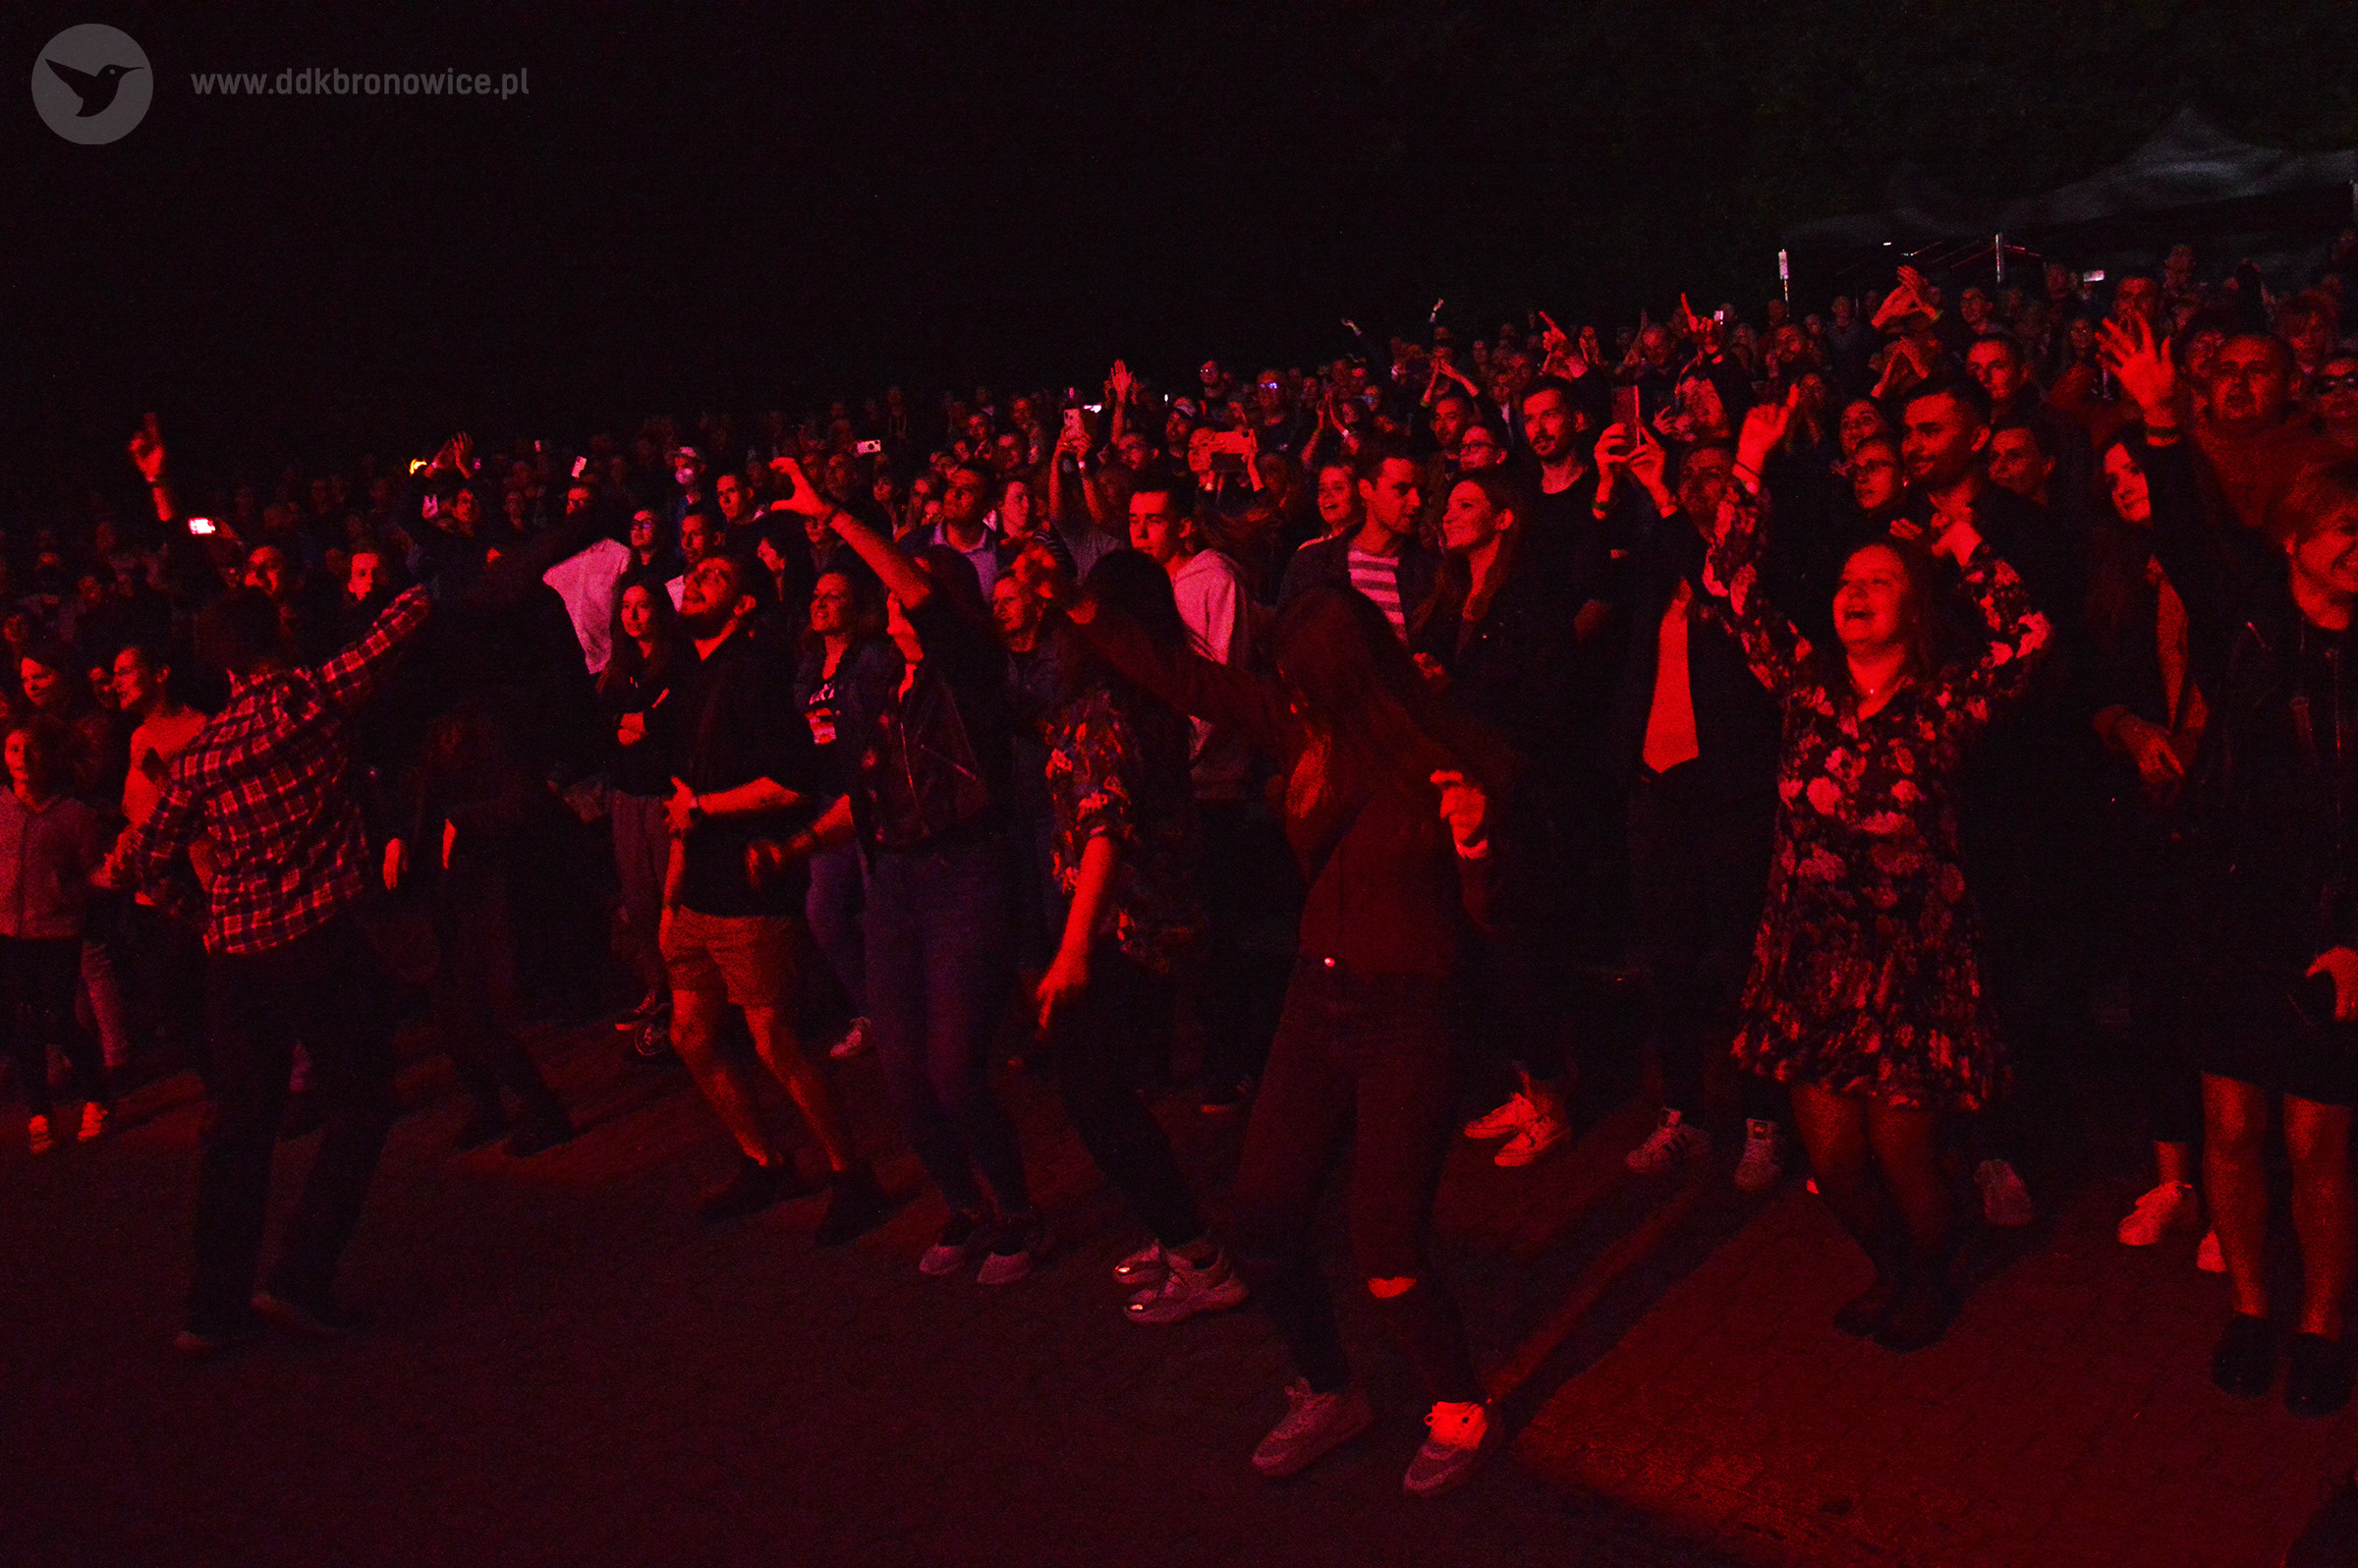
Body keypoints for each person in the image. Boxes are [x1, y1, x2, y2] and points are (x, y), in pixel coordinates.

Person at [1062, 571, 1507, 1498]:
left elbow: (1498, 925)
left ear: (1341, 675)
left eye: (1302, 681)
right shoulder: (1309, 735)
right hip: (1318, 995)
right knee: (1262, 1212)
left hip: (1411, 1011)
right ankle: (1329, 1388)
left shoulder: (1443, 758)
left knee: (1386, 1244)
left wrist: (1476, 849)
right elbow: (1192, 682)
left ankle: (1459, 1401)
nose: (1290, 697)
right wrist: (1084, 609)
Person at [1698, 393, 2051, 1353]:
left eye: (1881, 580)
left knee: (1903, 1155)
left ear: (1914, 605)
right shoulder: (1805, 685)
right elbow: (1728, 587)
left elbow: (2027, 637)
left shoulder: (1943, 704)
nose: (1855, 592)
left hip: (1911, 971)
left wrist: (1955, 536)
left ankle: (1930, 1280)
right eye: (1848, 580)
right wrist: (1749, 461)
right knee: (1834, 1159)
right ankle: (1891, 1270)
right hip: (1809, 963)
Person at [2105, 313, 2358, 1418]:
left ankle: (2322, 1325)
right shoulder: (2246, 620)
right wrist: (2163, 424)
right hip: (2230, 906)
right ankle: (2254, 1310)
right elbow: (2186, 534)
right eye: (2343, 527)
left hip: (2329, 920)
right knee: (2235, 1128)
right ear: (2296, 539)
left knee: (2318, 1136)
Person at [129, 582, 435, 1356]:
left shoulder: (201, 756)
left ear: (222, 668)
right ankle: (300, 1278)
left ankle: (211, 1310)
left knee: (240, 1128)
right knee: (360, 1104)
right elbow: (403, 622)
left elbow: (150, 857)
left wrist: (204, 916)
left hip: (238, 957)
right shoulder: (310, 699)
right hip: (320, 938)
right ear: (278, 638)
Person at [755, 461, 1042, 1283]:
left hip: (964, 875)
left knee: (955, 1069)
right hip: (897, 883)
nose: (895, 598)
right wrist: (798, 847)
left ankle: (1017, 1213)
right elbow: (867, 795)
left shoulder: (970, 674)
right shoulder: (877, 681)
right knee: (903, 1074)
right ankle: (965, 1205)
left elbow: (922, 597)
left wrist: (836, 517)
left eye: (911, 588)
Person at [1035, 551, 1246, 1323]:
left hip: (1119, 929)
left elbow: (1105, 829)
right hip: (1157, 920)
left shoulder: (1104, 706)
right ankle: (1174, 1235)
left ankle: (1197, 1254)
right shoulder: (1153, 697)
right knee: (1114, 1091)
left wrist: (1072, 950)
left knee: (1096, 1099)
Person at [657, 550, 888, 1242]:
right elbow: (681, 796)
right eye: (696, 573)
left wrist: (708, 809)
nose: (697, 581)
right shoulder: (690, 675)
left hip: (750, 885)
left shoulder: (757, 671)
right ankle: (763, 1160)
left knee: (774, 1038)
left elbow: (791, 783)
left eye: (717, 576)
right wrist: (671, 899)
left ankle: (852, 1174)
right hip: (699, 888)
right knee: (691, 1033)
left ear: (746, 604)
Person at [2080, 431, 2213, 1264]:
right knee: (2160, 987)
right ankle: (2176, 1179)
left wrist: (2203, 743)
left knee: (2226, 991)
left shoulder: (2221, 561)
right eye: (2114, 476)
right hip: (2147, 803)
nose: (2127, 484)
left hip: (2227, 801)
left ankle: (2239, 1188)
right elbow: (2091, 681)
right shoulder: (2115, 571)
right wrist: (2127, 728)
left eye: (2138, 467)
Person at [0, 716, 112, 1153]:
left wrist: (114, 872)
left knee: (57, 1017)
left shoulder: (73, 815)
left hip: (57, 929)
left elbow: (91, 870)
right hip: (7, 929)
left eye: (31, 749)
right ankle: (38, 1111)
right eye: (14, 749)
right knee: (21, 1020)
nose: (23, 758)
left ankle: (97, 1096)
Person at [795, 569, 880, 1061]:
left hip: (867, 795)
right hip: (827, 798)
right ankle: (868, 1009)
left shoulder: (869, 660)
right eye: (816, 595)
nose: (821, 602)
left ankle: (896, 1011)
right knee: (822, 911)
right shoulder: (809, 664)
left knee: (881, 908)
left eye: (834, 595)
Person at [598, 580, 688, 1039]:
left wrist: (641, 721)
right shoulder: (619, 670)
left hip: (662, 792)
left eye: (643, 606)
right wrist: (631, 721)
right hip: (627, 794)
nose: (633, 615)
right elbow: (602, 724)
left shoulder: (677, 663)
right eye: (627, 607)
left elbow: (672, 722)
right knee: (638, 896)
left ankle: (688, 993)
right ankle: (658, 988)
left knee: (672, 894)